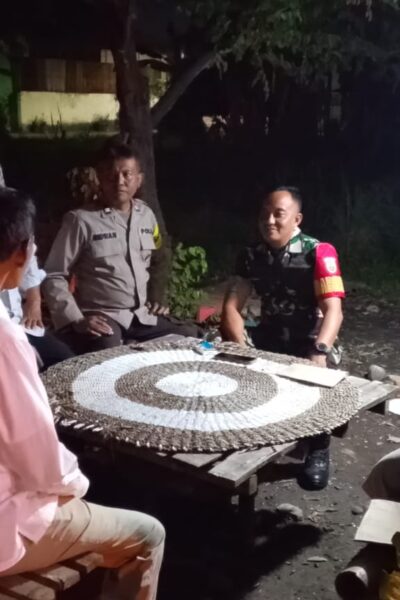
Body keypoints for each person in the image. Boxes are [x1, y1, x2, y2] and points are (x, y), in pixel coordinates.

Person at [0, 187, 165, 599]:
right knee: (149, 534)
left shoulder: (143, 217)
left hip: (135, 319)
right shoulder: (6, 340)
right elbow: (36, 455)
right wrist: (78, 482)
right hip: (6, 521)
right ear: (22, 251)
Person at [220, 186, 345, 490]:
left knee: (319, 376)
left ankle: (318, 447)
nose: (270, 221)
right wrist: (241, 348)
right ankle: (254, 433)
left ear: (296, 219)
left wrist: (320, 350)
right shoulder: (251, 255)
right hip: (271, 332)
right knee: (225, 358)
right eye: (265, 214)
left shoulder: (319, 252)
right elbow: (231, 307)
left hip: (310, 335)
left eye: (279, 214)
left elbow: (334, 311)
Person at [42, 140, 201, 355]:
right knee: (108, 351)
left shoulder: (146, 216)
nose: (119, 182)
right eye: (111, 175)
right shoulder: (81, 221)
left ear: (139, 179)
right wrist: (76, 319)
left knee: (190, 336)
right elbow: (53, 275)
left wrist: (157, 296)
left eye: (127, 174)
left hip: (141, 316)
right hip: (103, 316)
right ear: (100, 178)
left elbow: (158, 259)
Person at [0, 166, 74, 369]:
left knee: (67, 363)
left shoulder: (11, 213)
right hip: (7, 334)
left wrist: (34, 299)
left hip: (19, 321)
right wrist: (16, 348)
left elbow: (25, 252)